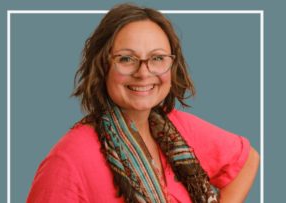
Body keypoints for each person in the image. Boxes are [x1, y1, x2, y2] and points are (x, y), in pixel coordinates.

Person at [26, 3, 259, 203]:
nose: (143, 73)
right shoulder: (69, 160)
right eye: (127, 59)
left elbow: (247, 159)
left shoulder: (176, 127)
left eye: (157, 58)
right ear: (102, 66)